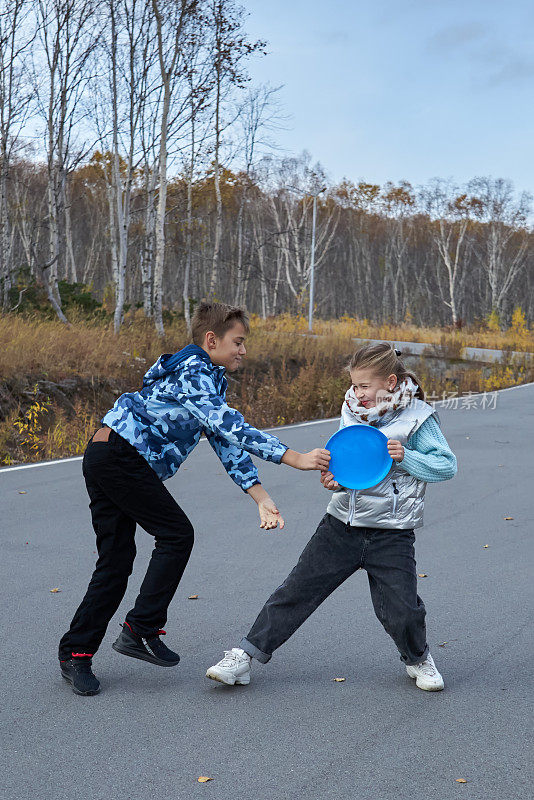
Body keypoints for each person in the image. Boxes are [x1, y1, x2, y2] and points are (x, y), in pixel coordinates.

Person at [58, 301, 330, 696]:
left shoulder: (207, 378)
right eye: (237, 342)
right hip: (119, 456)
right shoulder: (193, 370)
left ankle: (77, 653)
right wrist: (294, 458)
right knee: (176, 534)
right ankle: (140, 629)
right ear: (211, 339)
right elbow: (230, 424)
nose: (243, 350)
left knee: (117, 561)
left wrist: (259, 496)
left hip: (109, 455)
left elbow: (224, 440)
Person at [207, 342, 457, 692]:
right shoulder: (352, 409)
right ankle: (244, 657)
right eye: (354, 386)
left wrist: (408, 457)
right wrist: (334, 482)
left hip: (391, 532)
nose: (358, 393)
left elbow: (447, 466)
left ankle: (417, 659)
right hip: (341, 525)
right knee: (295, 591)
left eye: (365, 386)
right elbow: (349, 468)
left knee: (402, 610)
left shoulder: (419, 417)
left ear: (389, 381)